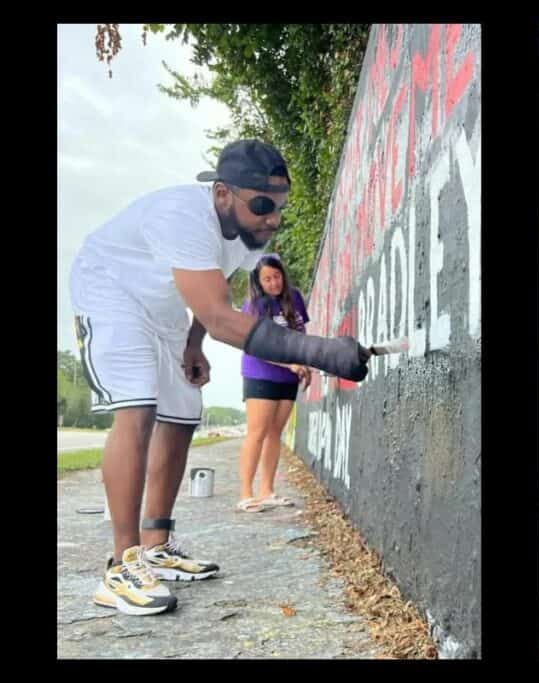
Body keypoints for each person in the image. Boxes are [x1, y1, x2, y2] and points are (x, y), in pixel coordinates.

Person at [69, 140, 371, 616]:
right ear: (223, 193)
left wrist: (193, 345)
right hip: (111, 292)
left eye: (279, 206)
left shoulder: (246, 231)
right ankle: (120, 566)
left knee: (183, 412)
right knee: (138, 408)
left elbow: (215, 293)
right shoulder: (183, 217)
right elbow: (219, 314)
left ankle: (155, 547)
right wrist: (321, 351)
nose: (272, 218)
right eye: (263, 205)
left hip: (164, 305)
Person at [236, 254, 310, 513]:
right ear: (258, 281)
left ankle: (266, 491)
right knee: (257, 433)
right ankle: (246, 494)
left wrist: (305, 364)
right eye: (267, 279)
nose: (273, 283)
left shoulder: (295, 297)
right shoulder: (254, 305)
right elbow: (256, 345)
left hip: (289, 375)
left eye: (276, 276)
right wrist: (289, 364)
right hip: (260, 372)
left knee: (274, 433)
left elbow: (300, 336)